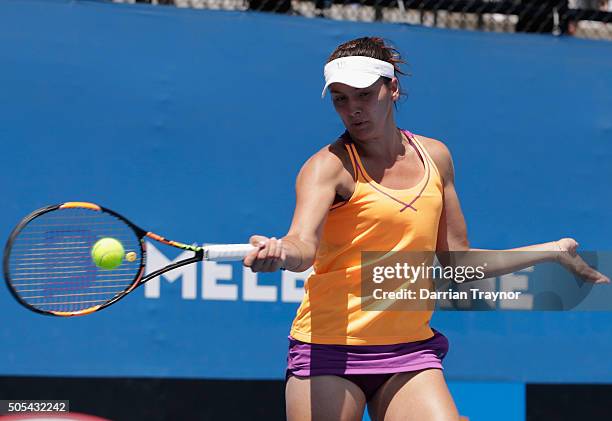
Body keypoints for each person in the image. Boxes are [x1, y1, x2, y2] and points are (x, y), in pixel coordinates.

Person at [243, 36, 609, 421]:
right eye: (340, 99)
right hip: (330, 349)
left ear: (393, 89)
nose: (353, 110)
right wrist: (282, 253)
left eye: (364, 95)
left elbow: (458, 265)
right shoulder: (326, 167)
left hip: (408, 350)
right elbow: (302, 246)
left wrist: (550, 252)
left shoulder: (436, 157)